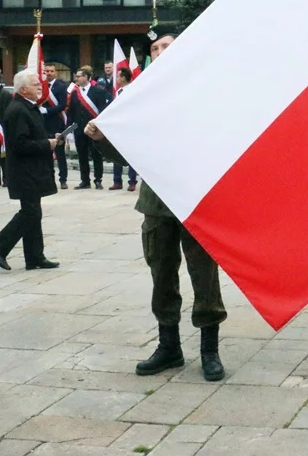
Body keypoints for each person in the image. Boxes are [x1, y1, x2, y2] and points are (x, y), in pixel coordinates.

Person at [85, 26, 227, 382]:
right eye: (156, 48)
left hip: (196, 199)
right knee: (161, 275)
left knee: (204, 277)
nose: (162, 51)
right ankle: (169, 348)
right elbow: (125, 151)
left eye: (168, 45)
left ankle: (209, 350)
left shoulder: (204, 89)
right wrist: (101, 138)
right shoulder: (138, 95)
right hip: (157, 202)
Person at [0, 70, 61, 271]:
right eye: (36, 84)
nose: (40, 87)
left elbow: (33, 135)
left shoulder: (27, 107)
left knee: (34, 213)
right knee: (30, 212)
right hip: (24, 171)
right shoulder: (18, 109)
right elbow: (20, 144)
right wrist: (47, 144)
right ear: (23, 89)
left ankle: (35, 256)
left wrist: (52, 138)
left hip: (33, 169)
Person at [67, 66, 110, 189]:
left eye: (79, 76)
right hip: (79, 130)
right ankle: (85, 181)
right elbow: (71, 112)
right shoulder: (75, 93)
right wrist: (69, 130)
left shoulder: (98, 92)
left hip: (93, 130)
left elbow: (102, 111)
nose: (76, 79)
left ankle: (98, 180)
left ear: (86, 77)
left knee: (96, 155)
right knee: (82, 156)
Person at [108, 67, 139, 192]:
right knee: (117, 155)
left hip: (130, 127)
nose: (117, 79)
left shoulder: (133, 90)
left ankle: (132, 181)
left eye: (118, 76)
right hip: (118, 127)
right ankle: (117, 181)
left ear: (124, 77)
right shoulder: (118, 91)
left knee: (131, 155)